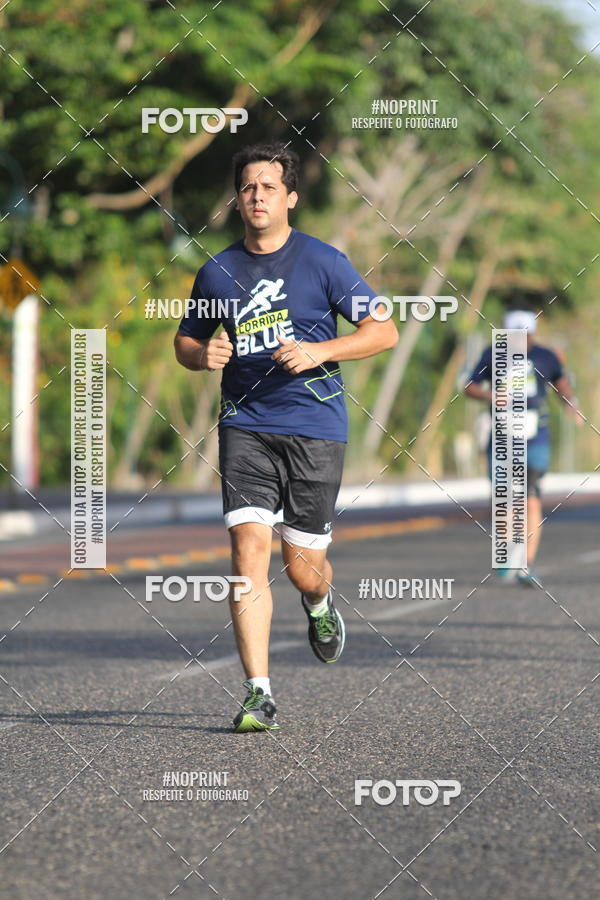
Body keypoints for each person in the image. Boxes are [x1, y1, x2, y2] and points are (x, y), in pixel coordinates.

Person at [174, 143, 398, 732]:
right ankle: (259, 693)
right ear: (237, 198)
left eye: (268, 187)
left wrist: (321, 350)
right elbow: (186, 341)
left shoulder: (324, 262)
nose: (257, 197)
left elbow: (384, 331)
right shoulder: (216, 271)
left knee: (302, 567)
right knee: (248, 550)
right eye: (248, 187)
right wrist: (202, 354)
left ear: (290, 198)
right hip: (245, 424)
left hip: (314, 427)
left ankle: (319, 604)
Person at [464, 309, 582, 585]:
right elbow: (469, 386)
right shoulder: (492, 354)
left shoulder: (546, 356)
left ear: (533, 334)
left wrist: (571, 405)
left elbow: (562, 384)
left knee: (530, 498)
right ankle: (508, 553)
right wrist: (490, 395)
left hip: (535, 437)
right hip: (502, 437)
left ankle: (526, 564)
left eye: (525, 335)